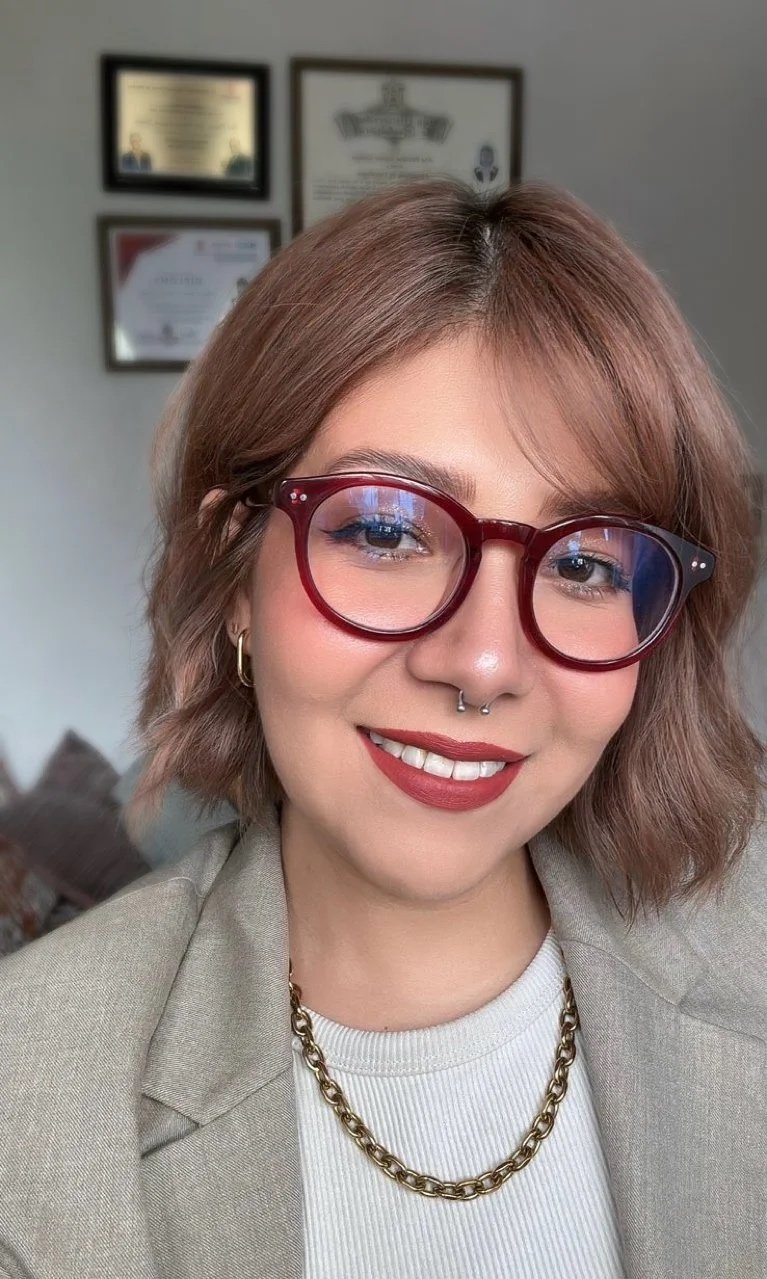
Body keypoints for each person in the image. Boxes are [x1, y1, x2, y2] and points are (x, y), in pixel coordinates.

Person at [0, 180, 764, 1279]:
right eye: (387, 532)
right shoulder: (31, 1101)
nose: (484, 663)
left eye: (587, 561)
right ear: (235, 579)